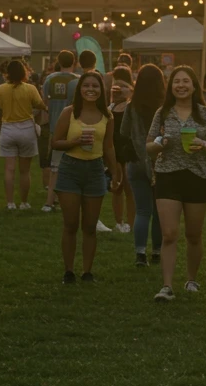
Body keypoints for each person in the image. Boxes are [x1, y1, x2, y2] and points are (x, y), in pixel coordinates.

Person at [147, 66, 206, 300]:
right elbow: (149, 146)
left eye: (185, 81)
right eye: (176, 81)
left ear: (194, 86)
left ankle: (191, 279)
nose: (180, 85)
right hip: (168, 174)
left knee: (193, 234)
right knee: (169, 233)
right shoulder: (163, 112)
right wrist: (160, 144)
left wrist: (203, 145)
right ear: (170, 87)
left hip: (197, 176)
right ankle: (167, 286)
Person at [51, 72, 122, 283]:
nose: (90, 89)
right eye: (86, 85)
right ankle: (69, 271)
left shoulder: (107, 116)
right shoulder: (69, 112)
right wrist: (75, 141)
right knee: (71, 224)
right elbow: (55, 142)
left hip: (94, 171)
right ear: (79, 89)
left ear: (102, 90)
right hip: (70, 170)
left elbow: (108, 146)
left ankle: (87, 272)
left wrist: (115, 173)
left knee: (90, 226)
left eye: (95, 86)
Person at [119, 64, 165, 267]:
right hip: (160, 161)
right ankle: (156, 251)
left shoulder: (131, 106)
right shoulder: (164, 107)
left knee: (142, 210)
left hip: (136, 160)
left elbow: (124, 131)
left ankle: (139, 253)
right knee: (158, 210)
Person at [0, 61, 46, 210]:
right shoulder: (30, 89)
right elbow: (40, 104)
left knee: (9, 169)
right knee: (25, 171)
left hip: (7, 129)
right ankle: (24, 202)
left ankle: (10, 203)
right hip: (26, 129)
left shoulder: (1, 89)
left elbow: (0, 107)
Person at [40, 51, 80, 212]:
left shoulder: (49, 79)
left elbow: (45, 103)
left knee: (55, 166)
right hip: (73, 125)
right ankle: (53, 202)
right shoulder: (77, 81)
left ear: (58, 62)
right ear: (74, 62)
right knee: (69, 165)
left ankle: (52, 201)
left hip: (54, 125)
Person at [109, 72, 135, 233]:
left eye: (122, 87)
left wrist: (130, 94)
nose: (117, 90)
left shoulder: (132, 107)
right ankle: (119, 222)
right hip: (114, 152)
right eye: (115, 86)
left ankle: (132, 225)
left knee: (129, 189)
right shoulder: (109, 108)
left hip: (128, 152)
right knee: (116, 187)